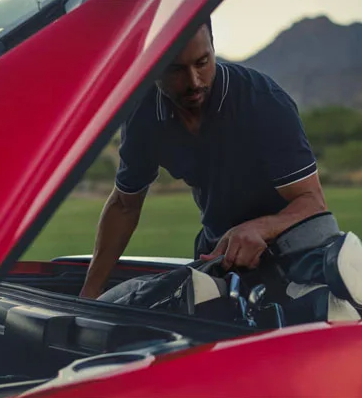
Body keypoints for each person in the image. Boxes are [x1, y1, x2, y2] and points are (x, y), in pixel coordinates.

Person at [79, 18, 328, 299]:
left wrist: (258, 228)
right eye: (176, 69)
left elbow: (312, 203)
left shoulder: (263, 101)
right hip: (216, 256)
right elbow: (124, 206)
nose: (193, 82)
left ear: (213, 47)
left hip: (289, 252)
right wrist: (89, 293)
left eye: (202, 62)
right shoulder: (143, 115)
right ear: (152, 66)